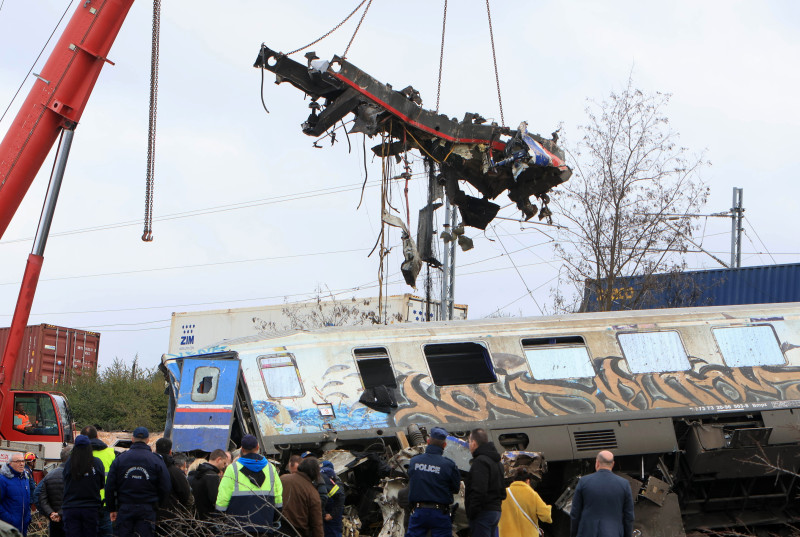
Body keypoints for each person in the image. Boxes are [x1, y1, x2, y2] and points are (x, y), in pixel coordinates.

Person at [105, 427, 170, 537]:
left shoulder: (120, 459)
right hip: (147, 508)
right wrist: (159, 506)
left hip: (125, 507)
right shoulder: (156, 460)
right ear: (148, 440)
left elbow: (110, 486)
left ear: (132, 439)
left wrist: (112, 508)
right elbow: (165, 486)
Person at [215, 434, 282, 536]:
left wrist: (221, 518)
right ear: (258, 448)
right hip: (265, 527)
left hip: (238, 528)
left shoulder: (232, 469)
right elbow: (278, 499)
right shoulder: (271, 468)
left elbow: (222, 499)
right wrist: (274, 518)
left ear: (242, 449)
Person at [405, 427, 461, 537]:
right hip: (440, 514)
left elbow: (411, 479)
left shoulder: (414, 461)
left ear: (428, 441)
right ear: (444, 445)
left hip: (419, 512)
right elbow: (455, 488)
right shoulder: (449, 465)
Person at [570, 451, 634, 537]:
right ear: (613, 464)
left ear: (597, 463)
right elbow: (629, 516)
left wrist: (574, 534)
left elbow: (575, 513)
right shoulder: (624, 484)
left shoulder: (584, 482)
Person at [465, 428, 506, 537]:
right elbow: (502, 490)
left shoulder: (480, 462)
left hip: (483, 513)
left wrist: (472, 512)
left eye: (469, 442)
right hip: (495, 511)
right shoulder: (497, 463)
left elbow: (479, 490)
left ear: (474, 443)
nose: (469, 445)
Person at [62, 435, 105, 537]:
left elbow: (65, 481)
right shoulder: (97, 463)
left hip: (71, 508)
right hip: (91, 508)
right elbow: (101, 484)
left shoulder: (69, 464)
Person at [79, 426, 115, 537]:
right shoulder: (111, 453)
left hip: (84, 505)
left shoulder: (76, 456)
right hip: (105, 504)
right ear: (97, 436)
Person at [498, 468, 551, 537]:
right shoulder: (532, 494)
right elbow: (545, 516)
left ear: (514, 480)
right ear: (528, 481)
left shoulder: (503, 493)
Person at [279, 456, 323, 537]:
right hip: (298, 532)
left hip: (278, 529)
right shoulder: (312, 492)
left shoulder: (283, 479)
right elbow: (317, 524)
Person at [154, 437, 193, 526]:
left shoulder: (151, 468)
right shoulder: (175, 472)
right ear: (170, 452)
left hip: (150, 517)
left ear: (155, 450)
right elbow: (187, 496)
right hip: (171, 519)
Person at [38, 446, 72, 537]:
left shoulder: (49, 475)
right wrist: (60, 513)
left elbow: (41, 498)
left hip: (54, 522)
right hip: (71, 521)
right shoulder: (75, 476)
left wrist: (50, 513)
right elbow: (74, 499)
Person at [188, 449, 229, 520]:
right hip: (207, 518)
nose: (224, 466)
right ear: (218, 459)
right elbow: (215, 499)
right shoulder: (212, 476)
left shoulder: (198, 473)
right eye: (224, 463)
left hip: (195, 516)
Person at [0, 453, 31, 536]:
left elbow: (27, 500)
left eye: (23, 461)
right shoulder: (3, 479)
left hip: (23, 525)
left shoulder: (25, 478)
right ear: (10, 463)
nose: (21, 464)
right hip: (9, 528)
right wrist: (8, 519)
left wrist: (28, 517)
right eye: (18, 461)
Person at [319, 461, 344, 537]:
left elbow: (340, 498)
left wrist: (332, 515)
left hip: (332, 519)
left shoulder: (336, 485)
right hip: (325, 516)